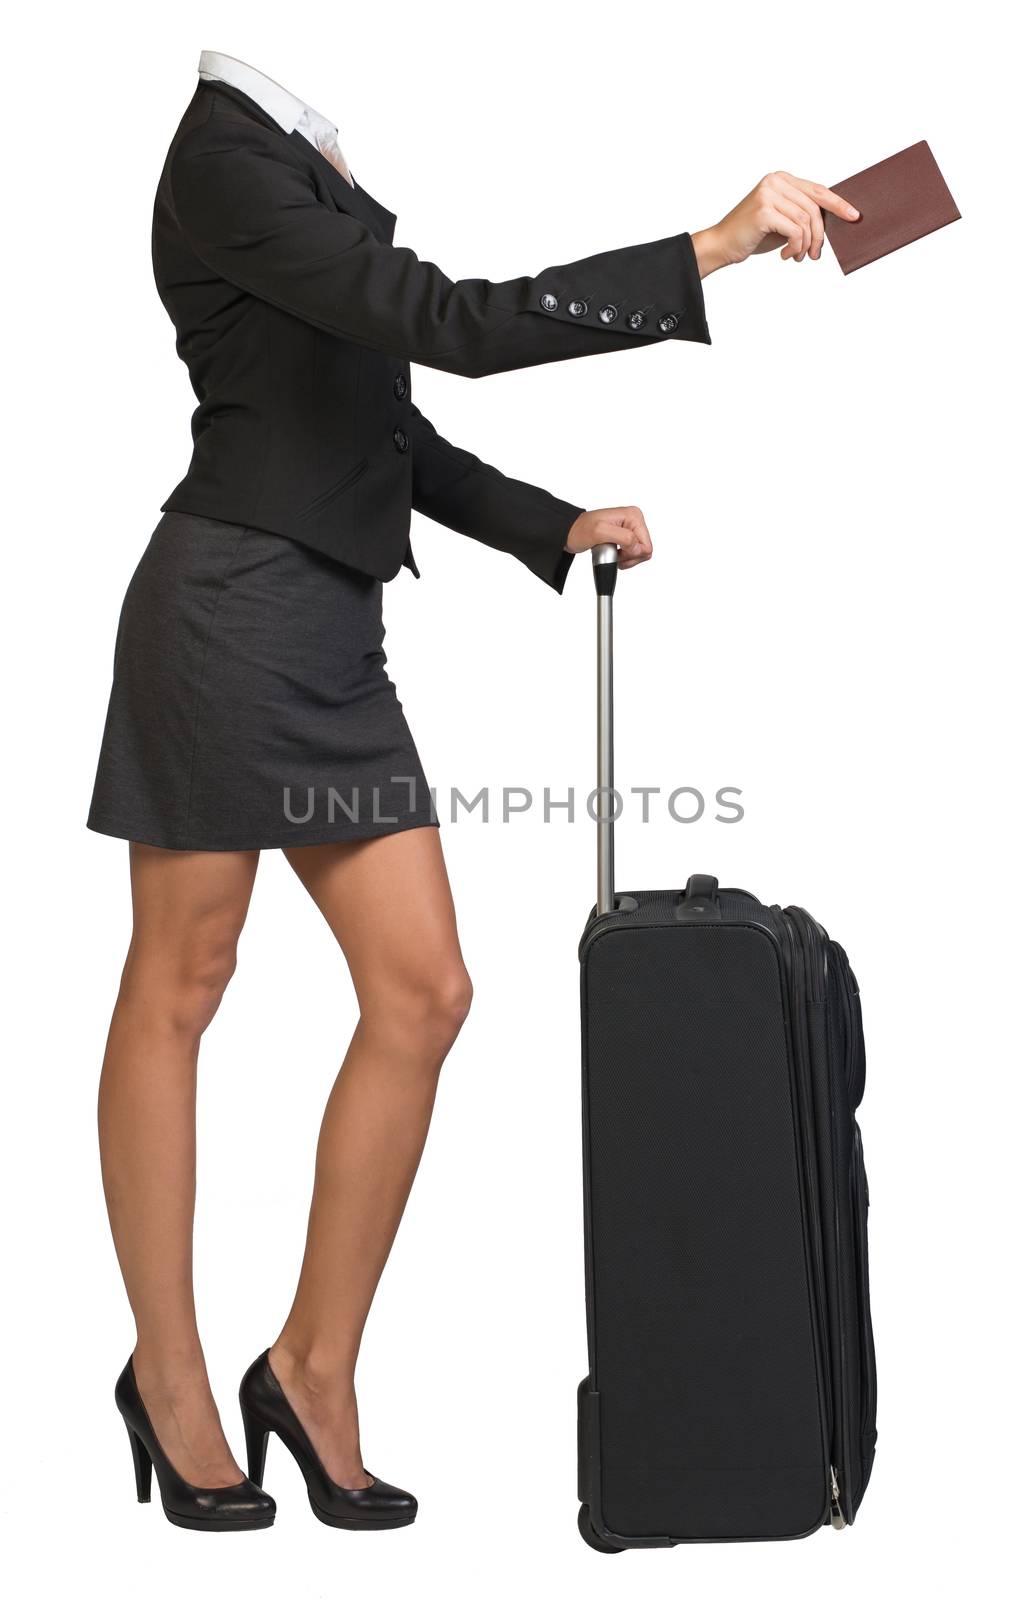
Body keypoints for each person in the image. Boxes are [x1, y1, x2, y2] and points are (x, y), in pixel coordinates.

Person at [89, 50, 859, 1533]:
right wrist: (708, 246)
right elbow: (447, 327)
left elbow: (388, 430)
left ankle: (310, 1370)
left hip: (329, 630)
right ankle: (169, 1376)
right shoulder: (223, 154)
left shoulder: (309, 161)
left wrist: (544, 522)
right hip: (227, 610)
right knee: (183, 979)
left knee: (425, 992)